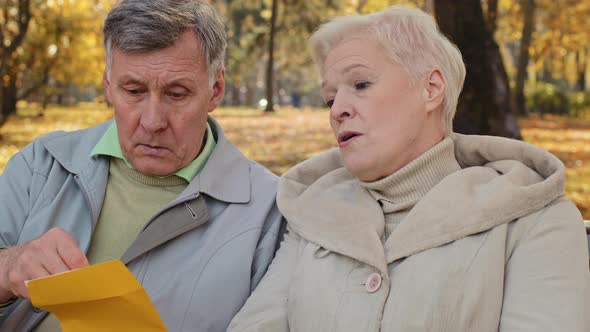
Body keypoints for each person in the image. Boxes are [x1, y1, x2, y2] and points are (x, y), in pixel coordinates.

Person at [228, 5, 590, 332]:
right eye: (330, 97)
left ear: (431, 89)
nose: (338, 109)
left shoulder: (536, 219)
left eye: (361, 84)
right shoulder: (313, 211)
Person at [0, 0, 284, 331]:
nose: (152, 122)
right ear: (108, 85)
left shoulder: (269, 213)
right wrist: (9, 266)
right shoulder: (41, 165)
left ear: (215, 90)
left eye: (176, 94)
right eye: (133, 91)